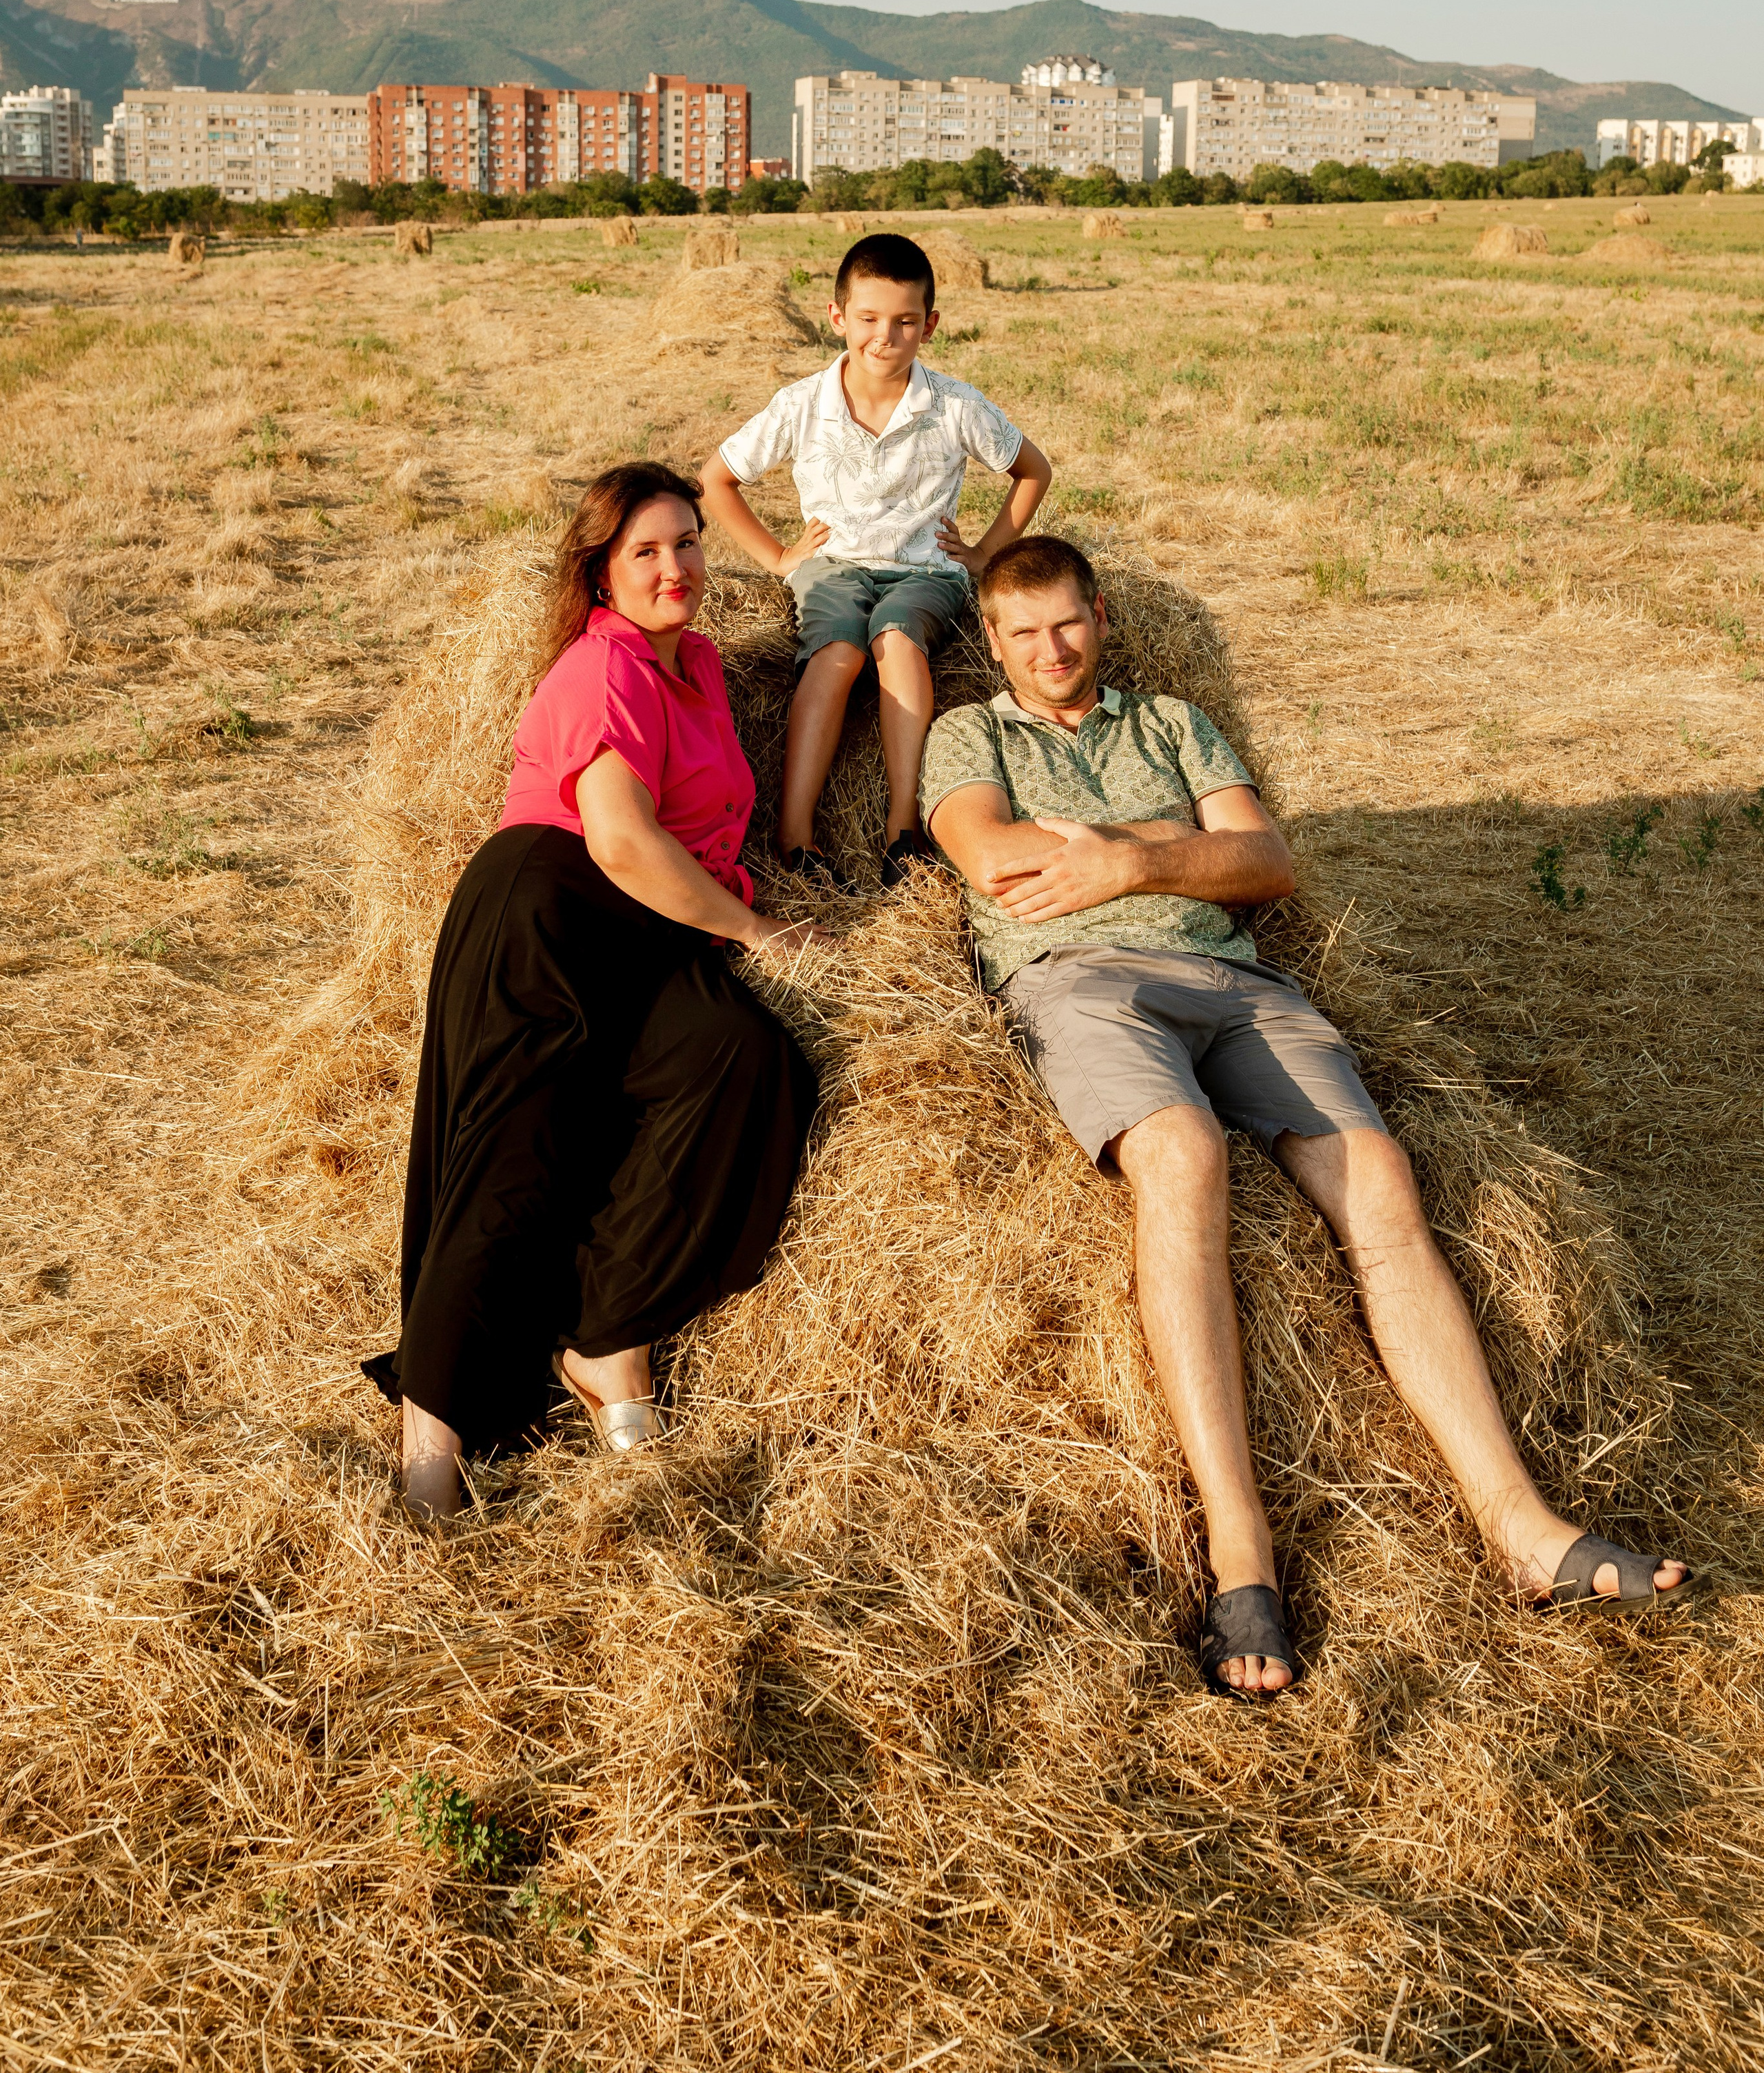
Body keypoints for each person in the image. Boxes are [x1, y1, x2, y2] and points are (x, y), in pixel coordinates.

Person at [919, 535, 1694, 1700]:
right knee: (1180, 1154)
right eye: (1023, 632)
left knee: (1377, 1174)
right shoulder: (970, 736)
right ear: (991, 640)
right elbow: (989, 855)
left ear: (1102, 616)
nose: (1051, 649)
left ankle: (1520, 1527)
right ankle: (1243, 1560)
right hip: (1080, 980)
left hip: (1237, 982)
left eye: (1067, 622)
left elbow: (1268, 861)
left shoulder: (1174, 723)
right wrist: (1184, 847)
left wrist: (1126, 860)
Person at [365, 462, 825, 1520]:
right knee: (513, 1155)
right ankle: (429, 1451)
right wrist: (758, 931)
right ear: (601, 574)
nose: (676, 567)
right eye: (645, 552)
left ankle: (608, 1335)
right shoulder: (600, 668)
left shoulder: (697, 665)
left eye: (688, 542)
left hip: (652, 921)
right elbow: (619, 840)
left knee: (741, 1061)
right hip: (552, 904)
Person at [701, 232, 1050, 890]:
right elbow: (716, 479)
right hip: (832, 567)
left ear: (930, 325)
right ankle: (795, 834)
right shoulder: (803, 403)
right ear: (838, 318)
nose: (884, 337)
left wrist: (983, 554)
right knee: (837, 652)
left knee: (896, 640)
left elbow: (1033, 470)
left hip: (925, 572)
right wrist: (777, 557)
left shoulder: (955, 405)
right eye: (868, 319)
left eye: (905, 322)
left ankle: (902, 829)